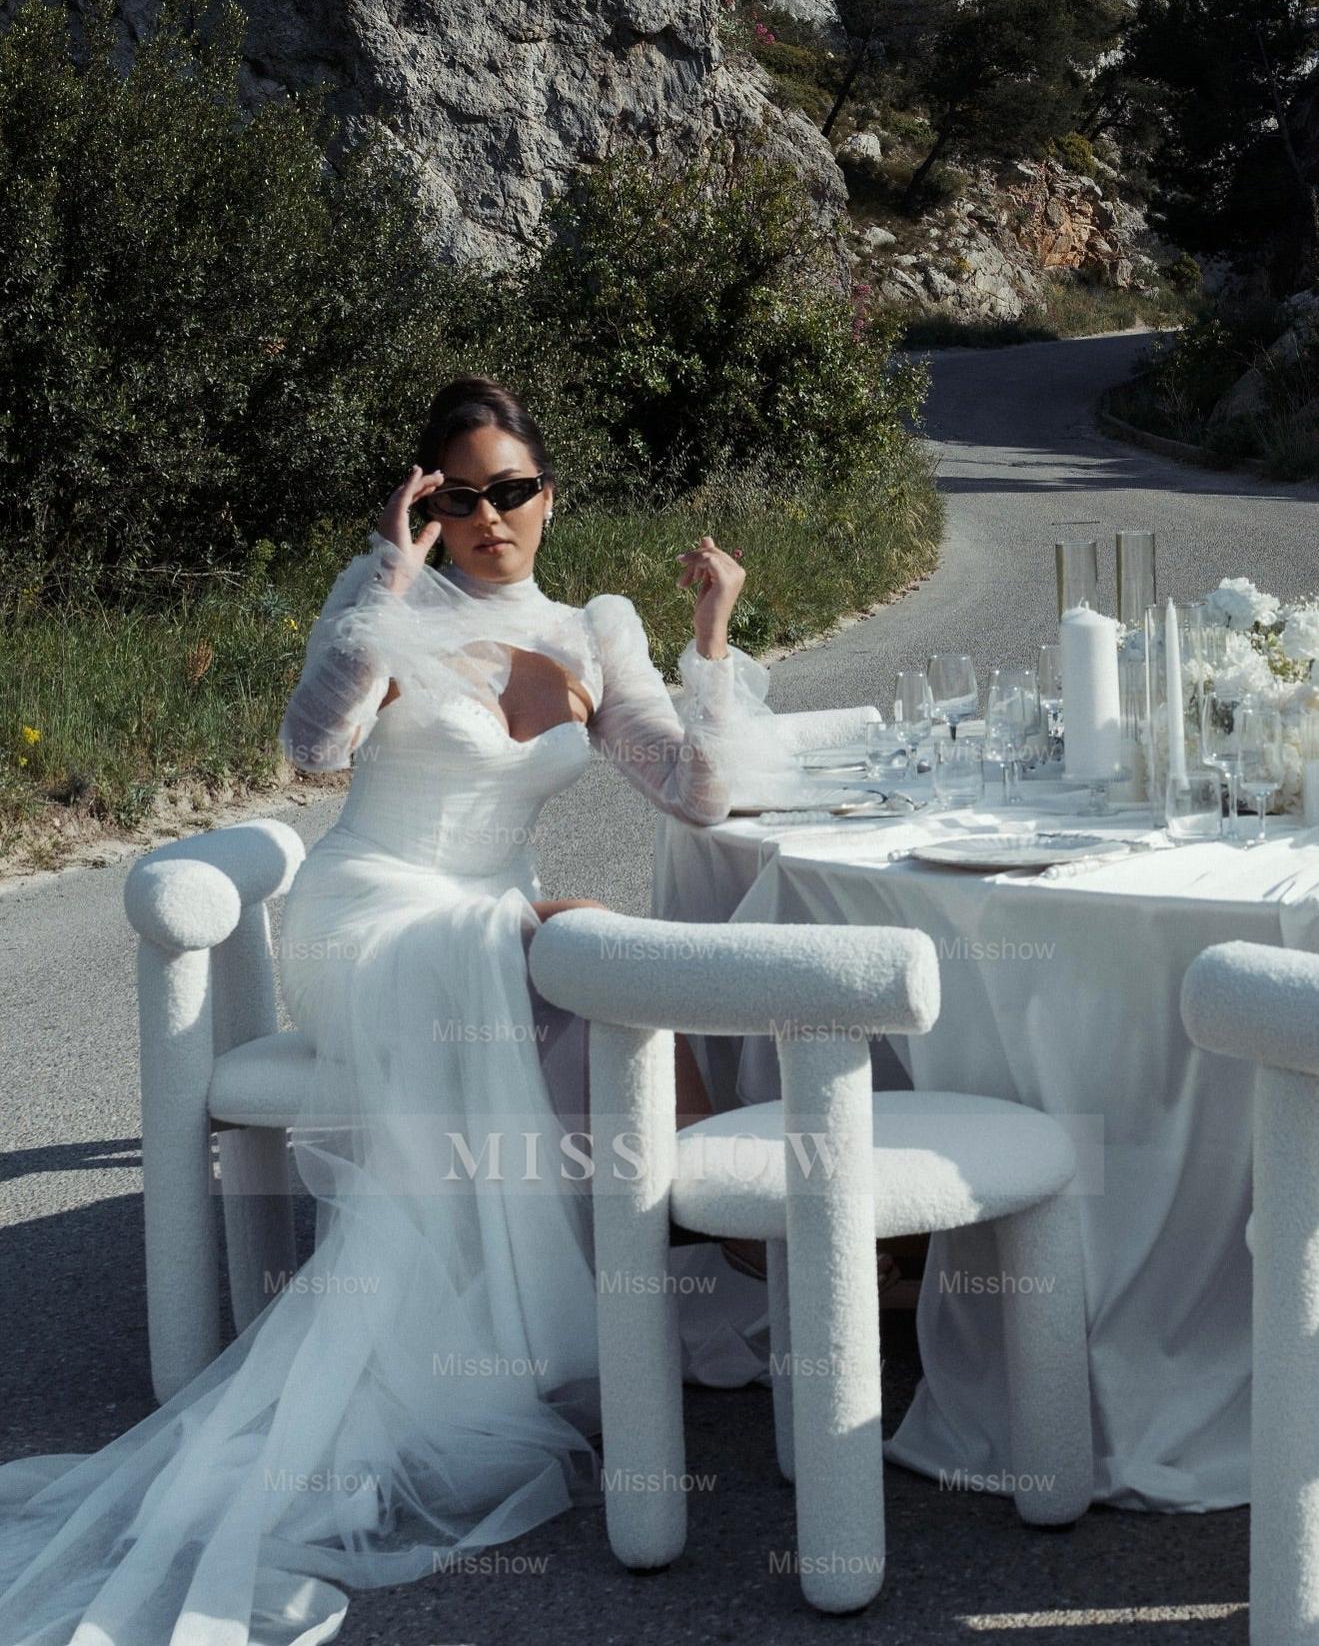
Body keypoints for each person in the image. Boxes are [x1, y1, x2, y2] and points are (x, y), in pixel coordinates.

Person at [0, 376, 818, 1646]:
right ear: (429, 504)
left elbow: (696, 795)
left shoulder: (593, 632)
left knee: (591, 965)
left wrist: (710, 634)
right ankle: (736, 1235)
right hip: (370, 916)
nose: (489, 517)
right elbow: (313, 749)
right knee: (578, 933)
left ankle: (703, 1239)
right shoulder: (390, 599)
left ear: (549, 497)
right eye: (461, 496)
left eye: (512, 490)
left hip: (492, 924)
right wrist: (387, 577)